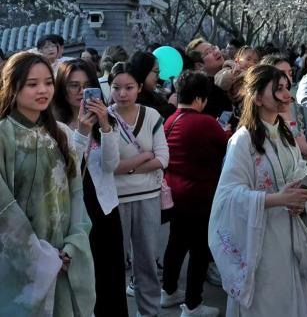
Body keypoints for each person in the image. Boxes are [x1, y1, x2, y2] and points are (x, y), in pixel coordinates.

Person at [208, 65, 307, 317]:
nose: (286, 95)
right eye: (279, 89)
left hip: (289, 230)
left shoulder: (285, 135)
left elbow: (297, 170)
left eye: (287, 88)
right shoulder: (243, 140)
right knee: (266, 299)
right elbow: (228, 196)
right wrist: (277, 199)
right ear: (258, 98)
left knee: (289, 297)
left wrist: (301, 196)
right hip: (260, 237)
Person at [0, 52, 95, 316]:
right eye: (32, 84)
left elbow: (76, 194)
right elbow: (4, 209)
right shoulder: (3, 135)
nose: (43, 90)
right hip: (20, 261)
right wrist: (40, 255)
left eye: (48, 83)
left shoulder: (61, 133)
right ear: (12, 86)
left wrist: (73, 244)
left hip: (63, 254)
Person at [54, 59, 127, 316]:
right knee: (84, 280)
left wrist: (105, 126)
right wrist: (82, 131)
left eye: (86, 86)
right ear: (61, 88)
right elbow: (66, 171)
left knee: (111, 277)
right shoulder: (55, 125)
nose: (80, 92)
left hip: (105, 208)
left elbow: (111, 165)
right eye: (73, 85)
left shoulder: (106, 119)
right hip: (75, 212)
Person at [162, 71, 231, 317]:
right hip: (201, 197)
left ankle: (168, 290)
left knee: (176, 244)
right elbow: (227, 146)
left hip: (175, 194)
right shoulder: (206, 122)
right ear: (200, 98)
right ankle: (193, 304)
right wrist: (227, 131)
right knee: (199, 251)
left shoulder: (170, 121)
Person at [109, 61, 170, 317]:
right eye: (116, 87)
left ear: (139, 88)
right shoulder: (105, 117)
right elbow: (109, 166)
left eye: (129, 87)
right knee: (114, 263)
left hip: (148, 197)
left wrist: (128, 167)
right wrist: (143, 158)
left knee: (146, 260)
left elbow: (163, 158)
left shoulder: (151, 116)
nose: (122, 93)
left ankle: (149, 312)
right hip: (115, 199)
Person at [260, 54, 307, 197]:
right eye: (281, 74)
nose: (287, 79)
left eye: (290, 74)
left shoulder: (301, 111)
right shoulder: (252, 130)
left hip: (303, 186)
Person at [186, 38, 233, 119]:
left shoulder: (233, 68)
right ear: (199, 66)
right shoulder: (205, 95)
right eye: (207, 53)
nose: (216, 52)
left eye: (213, 48)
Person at [130, 51, 176, 119]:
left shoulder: (150, 94)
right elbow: (152, 117)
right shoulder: (134, 98)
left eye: (159, 72)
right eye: (156, 71)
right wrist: (171, 106)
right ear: (144, 71)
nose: (158, 76)